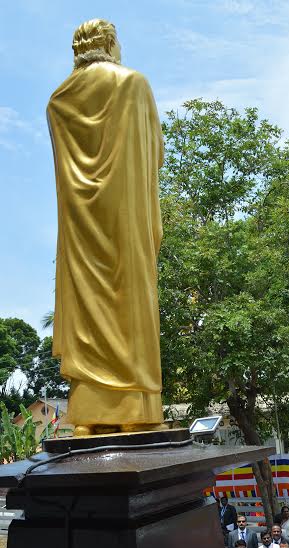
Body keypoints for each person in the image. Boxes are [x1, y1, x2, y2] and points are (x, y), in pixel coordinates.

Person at [47, 19, 166, 434]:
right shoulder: (131, 83)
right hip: (124, 218)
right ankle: (136, 414)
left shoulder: (59, 100)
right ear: (112, 44)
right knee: (129, 302)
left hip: (80, 225)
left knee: (87, 306)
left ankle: (89, 416)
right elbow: (155, 153)